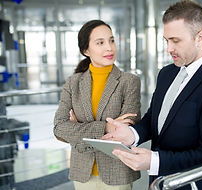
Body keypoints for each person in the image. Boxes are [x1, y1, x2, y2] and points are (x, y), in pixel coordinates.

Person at [102, 1, 202, 189]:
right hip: (158, 183)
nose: (169, 48)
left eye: (176, 41)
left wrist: (155, 160)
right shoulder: (167, 73)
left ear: (200, 37)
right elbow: (155, 118)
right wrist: (132, 134)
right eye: (166, 40)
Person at [53, 20, 141, 190]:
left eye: (112, 40)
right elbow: (59, 128)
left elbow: (125, 132)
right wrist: (106, 127)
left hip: (117, 171)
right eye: (100, 43)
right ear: (86, 50)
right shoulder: (74, 82)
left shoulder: (129, 82)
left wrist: (78, 127)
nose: (109, 48)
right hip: (83, 172)